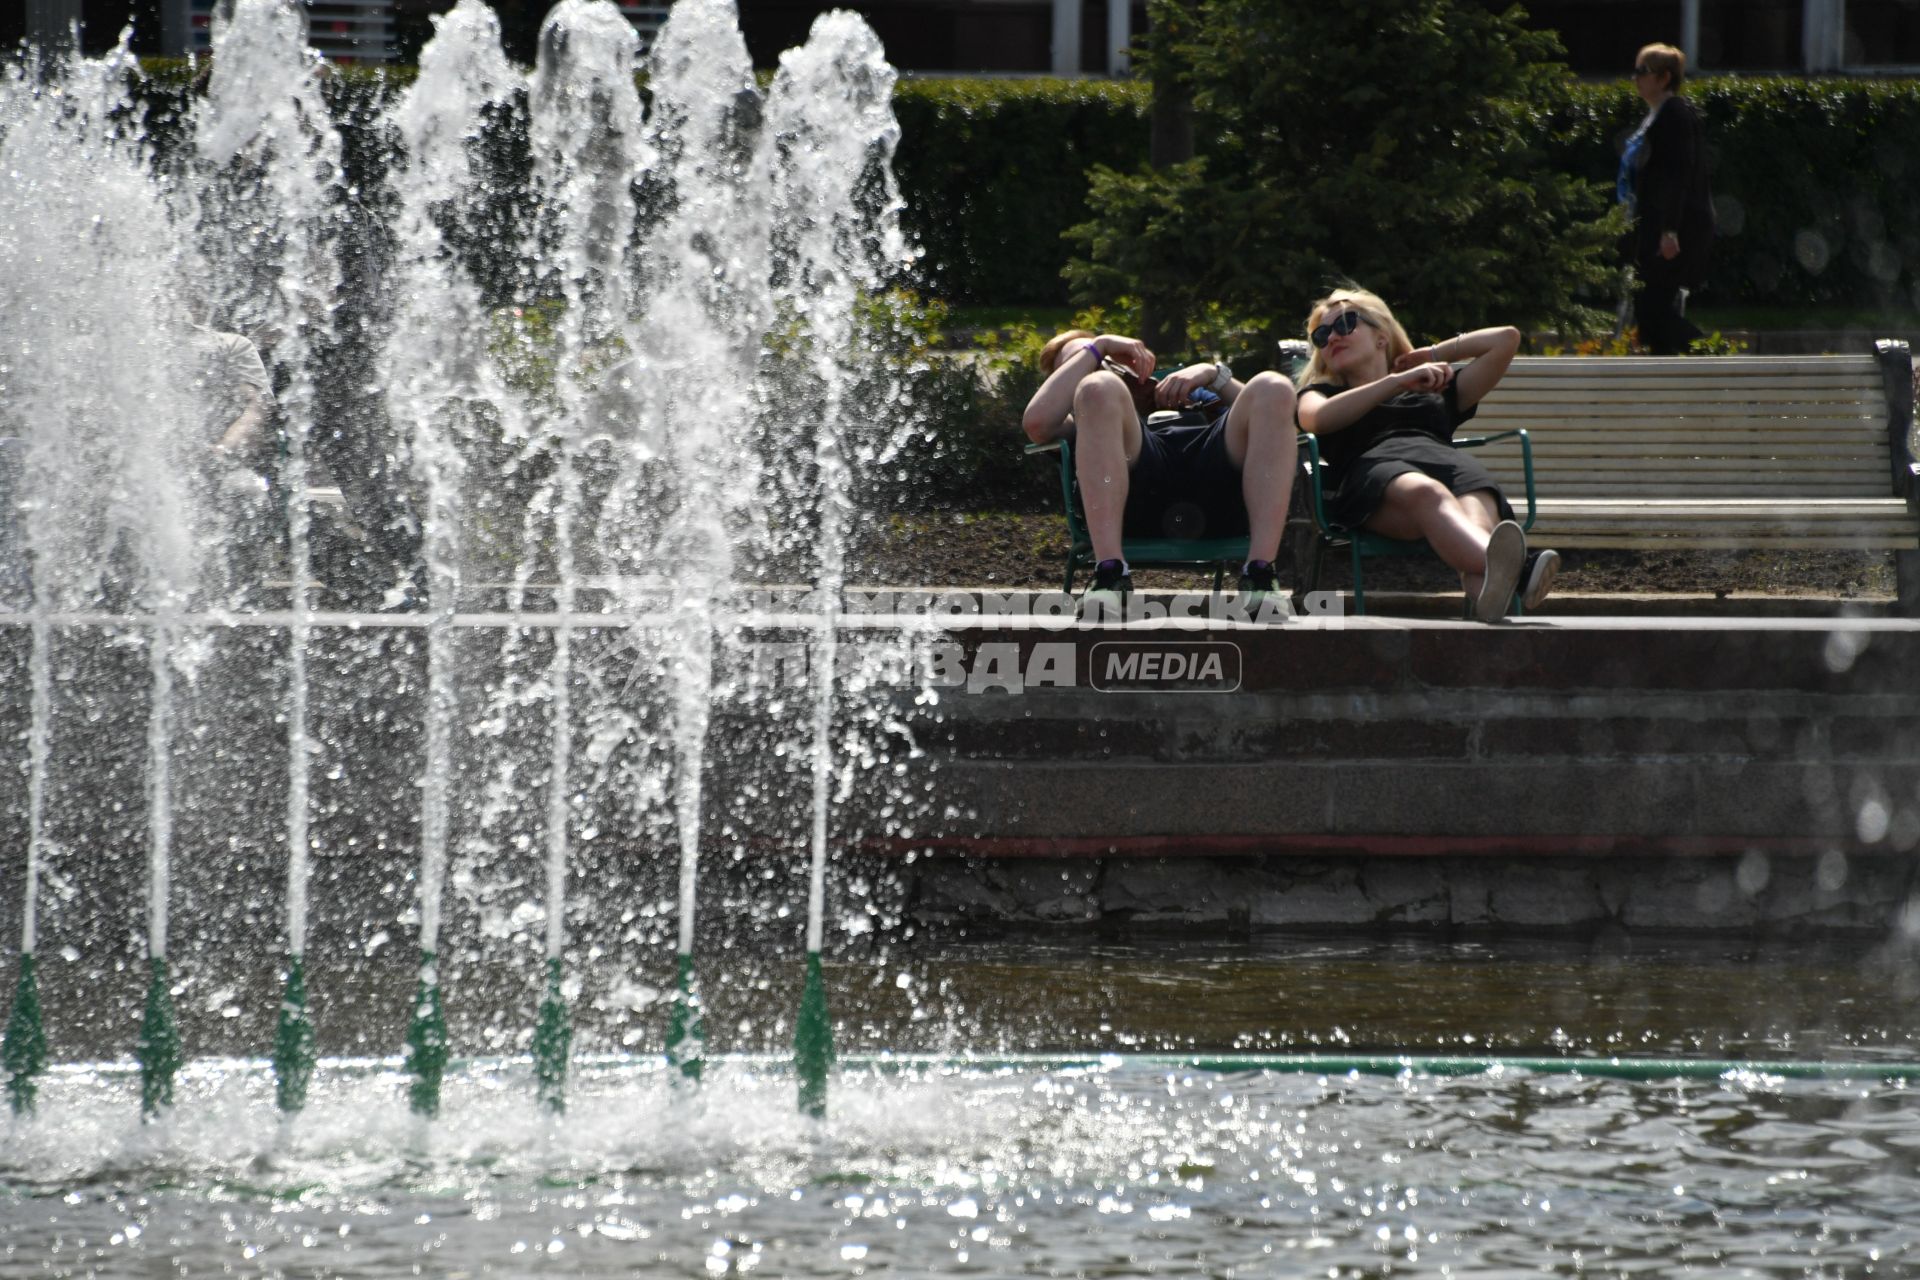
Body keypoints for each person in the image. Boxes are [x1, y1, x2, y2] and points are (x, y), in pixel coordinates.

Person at [1293, 288, 1558, 623]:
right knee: (1426, 492)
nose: (1332, 337)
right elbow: (1316, 419)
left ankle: (1490, 612)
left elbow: (1505, 340)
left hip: (1451, 467)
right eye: (1321, 334)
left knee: (1476, 515)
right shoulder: (1322, 393)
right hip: (1378, 481)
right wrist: (1397, 381)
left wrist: (1430, 355)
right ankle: (1523, 571)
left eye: (1345, 324)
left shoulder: (1432, 386)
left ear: (1381, 336)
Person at [1021, 328, 1298, 616]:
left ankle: (1260, 575)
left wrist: (1213, 376)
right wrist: (1098, 346)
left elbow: (1282, 411)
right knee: (1097, 388)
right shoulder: (1081, 416)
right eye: (1079, 363)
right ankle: (1110, 575)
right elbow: (1037, 424)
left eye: (1099, 357)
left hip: (1220, 487)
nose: (1092, 361)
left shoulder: (1197, 390)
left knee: (1274, 385)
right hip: (1134, 501)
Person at [1620, 42, 1716, 356]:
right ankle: (1667, 376)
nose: (1635, 78)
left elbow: (1679, 176)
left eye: (1642, 71)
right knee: (1647, 311)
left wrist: (1670, 230)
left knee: (1653, 308)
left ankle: (1714, 356)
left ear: (1664, 78)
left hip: (1674, 229)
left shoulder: (1675, 115)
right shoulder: (1657, 115)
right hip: (1654, 225)